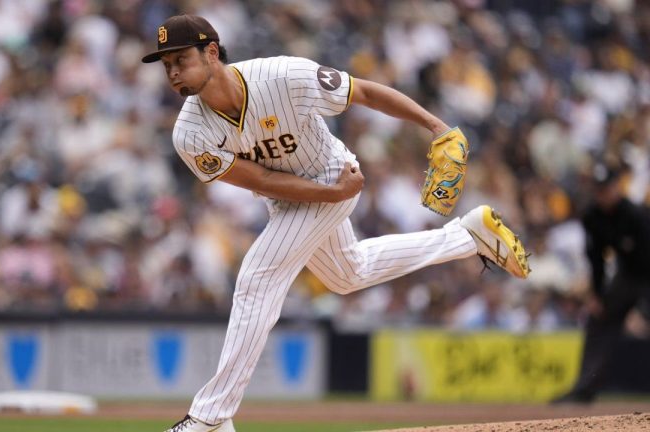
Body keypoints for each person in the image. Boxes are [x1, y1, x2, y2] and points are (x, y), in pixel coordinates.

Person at [142, 15, 530, 432]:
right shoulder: (189, 132)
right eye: (167, 66)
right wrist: (330, 196)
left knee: (257, 278)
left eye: (181, 58)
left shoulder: (282, 75)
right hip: (303, 195)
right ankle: (469, 235)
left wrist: (437, 127)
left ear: (212, 52)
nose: (174, 72)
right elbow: (260, 179)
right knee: (349, 274)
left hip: (332, 171)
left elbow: (362, 91)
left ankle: (211, 418)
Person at [552, 164, 650, 404]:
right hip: (628, 276)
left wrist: (640, 310)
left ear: (616, 187)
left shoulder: (637, 214)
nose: (603, 195)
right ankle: (584, 388)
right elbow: (595, 259)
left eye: (607, 189)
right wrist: (597, 295)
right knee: (598, 319)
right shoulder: (592, 217)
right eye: (599, 190)